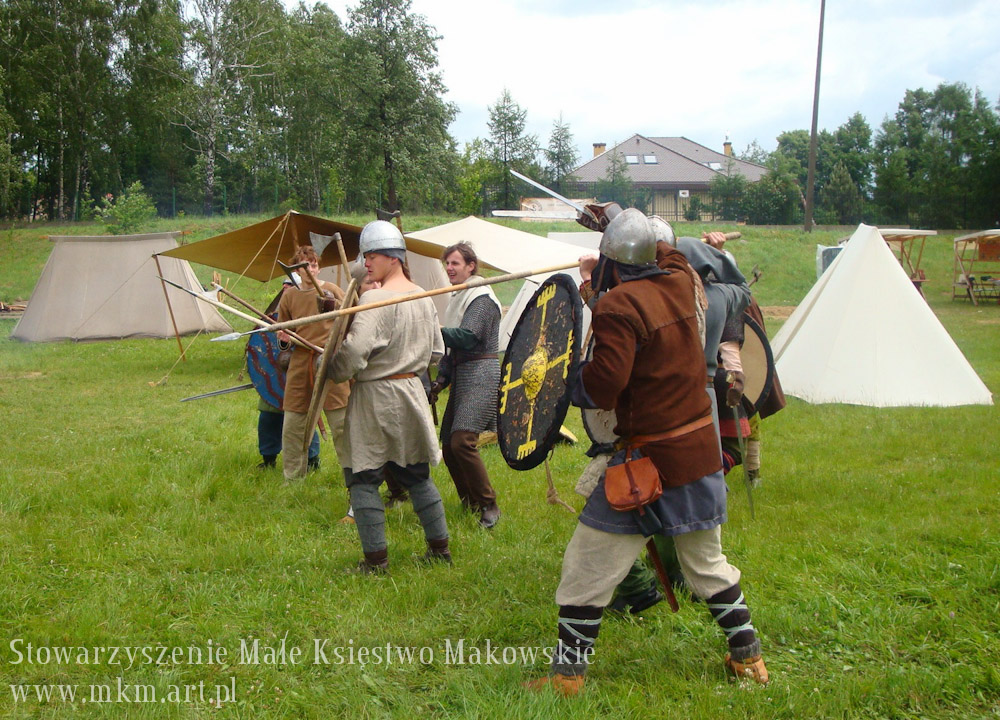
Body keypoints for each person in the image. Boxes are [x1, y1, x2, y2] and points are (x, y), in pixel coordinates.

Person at [528, 209, 767, 697]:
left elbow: (605, 386)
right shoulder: (680, 280)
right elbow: (669, 250)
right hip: (698, 455)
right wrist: (620, 228)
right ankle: (749, 659)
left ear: (612, 262)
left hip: (648, 466)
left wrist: (566, 381)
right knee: (707, 564)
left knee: (586, 566)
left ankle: (567, 677)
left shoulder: (618, 307)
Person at [326, 220, 450, 573]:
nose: (366, 262)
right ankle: (439, 551)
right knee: (416, 474)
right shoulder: (422, 296)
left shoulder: (374, 298)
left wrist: (330, 368)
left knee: (363, 476)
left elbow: (353, 354)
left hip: (375, 396)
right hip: (411, 392)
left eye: (373, 256)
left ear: (394, 258)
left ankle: (376, 562)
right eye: (366, 256)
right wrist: (406, 362)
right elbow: (436, 352)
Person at [429, 241, 502, 529]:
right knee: (449, 447)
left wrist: (430, 329)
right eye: (446, 263)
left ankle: (489, 503)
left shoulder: (481, 296)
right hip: (463, 374)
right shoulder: (459, 297)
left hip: (481, 374)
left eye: (455, 263)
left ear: (471, 266)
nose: (449, 268)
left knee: (462, 442)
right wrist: (441, 380)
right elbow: (452, 351)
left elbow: (468, 338)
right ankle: (469, 502)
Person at [276, 245, 351, 483]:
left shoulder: (332, 291)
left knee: (342, 424)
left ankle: (355, 478)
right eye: (305, 266)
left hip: (330, 361)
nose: (310, 269)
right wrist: (285, 338)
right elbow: (283, 332)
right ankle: (293, 478)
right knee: (293, 425)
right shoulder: (289, 296)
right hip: (301, 362)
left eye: (314, 264)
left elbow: (352, 320)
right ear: (297, 270)